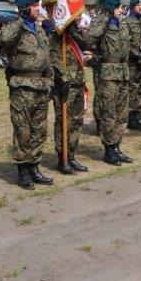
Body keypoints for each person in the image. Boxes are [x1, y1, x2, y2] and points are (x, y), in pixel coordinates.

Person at [0, 0, 55, 189]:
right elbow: (3, 38)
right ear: (24, 8)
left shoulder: (38, 29)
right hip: (22, 87)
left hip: (40, 86)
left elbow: (46, 58)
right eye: (34, 5)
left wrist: (50, 81)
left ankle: (34, 167)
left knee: (39, 130)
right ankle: (23, 171)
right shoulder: (16, 28)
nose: (38, 8)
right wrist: (20, 20)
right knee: (23, 130)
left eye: (38, 5)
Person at [80, 0, 135, 164]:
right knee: (109, 113)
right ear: (111, 9)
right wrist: (104, 20)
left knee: (121, 113)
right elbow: (88, 40)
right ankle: (109, 149)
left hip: (123, 72)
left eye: (121, 7)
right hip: (109, 74)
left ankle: (116, 146)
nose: (121, 10)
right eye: (117, 8)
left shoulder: (121, 24)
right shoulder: (102, 23)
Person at [45, 17, 89, 173]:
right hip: (64, 85)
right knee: (64, 121)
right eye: (76, 15)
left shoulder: (76, 35)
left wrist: (74, 33)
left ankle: (71, 155)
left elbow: (87, 44)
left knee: (76, 121)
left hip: (78, 82)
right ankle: (62, 158)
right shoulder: (56, 36)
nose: (80, 17)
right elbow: (54, 60)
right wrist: (63, 79)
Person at [122, 0, 141, 130]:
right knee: (132, 89)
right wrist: (135, 53)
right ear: (132, 6)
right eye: (138, 5)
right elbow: (125, 42)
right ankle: (130, 117)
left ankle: (137, 115)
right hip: (132, 62)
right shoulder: (126, 22)